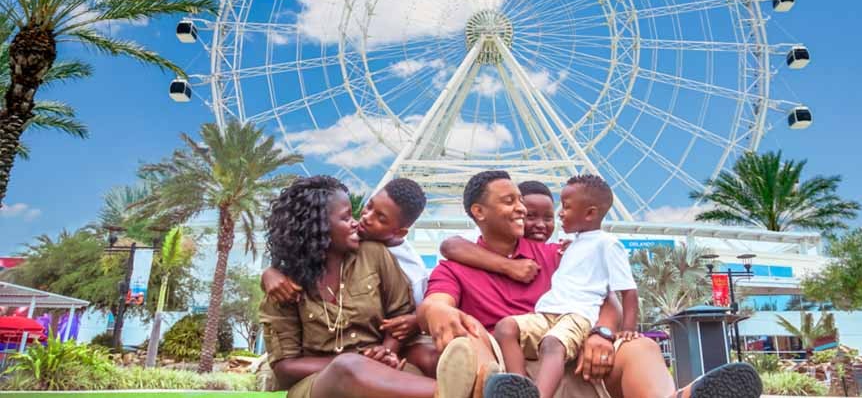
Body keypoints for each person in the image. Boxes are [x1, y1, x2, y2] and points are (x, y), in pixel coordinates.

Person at [418, 170, 764, 398]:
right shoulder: (454, 267)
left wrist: (602, 333)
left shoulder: (557, 253)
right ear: (479, 213)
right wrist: (435, 310)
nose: (522, 210)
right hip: (513, 368)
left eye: (521, 201)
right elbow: (437, 302)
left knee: (640, 348)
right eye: (511, 202)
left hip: (574, 353)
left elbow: (607, 299)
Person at [259, 176, 480, 398]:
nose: (358, 221)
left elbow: (400, 317)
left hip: (384, 369)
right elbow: (285, 368)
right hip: (319, 383)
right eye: (346, 217)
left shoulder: (375, 254)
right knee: (347, 368)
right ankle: (468, 394)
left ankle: (473, 387)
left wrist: (386, 351)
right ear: (318, 228)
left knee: (438, 356)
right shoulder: (284, 285)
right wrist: (361, 361)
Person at [489, 175, 638, 398]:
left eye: (566, 208)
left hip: (577, 315)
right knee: (506, 328)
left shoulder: (608, 244)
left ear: (589, 213)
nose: (560, 213)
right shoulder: (574, 244)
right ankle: (519, 388)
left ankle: (538, 396)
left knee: (552, 345)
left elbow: (628, 290)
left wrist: (627, 329)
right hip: (547, 313)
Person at [263, 178, 431, 358]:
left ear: (399, 232)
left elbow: (407, 316)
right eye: (369, 207)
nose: (365, 218)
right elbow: (302, 241)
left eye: (381, 218)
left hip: (393, 347)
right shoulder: (350, 239)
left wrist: (415, 322)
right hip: (332, 367)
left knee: (427, 357)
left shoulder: (409, 270)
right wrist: (269, 273)